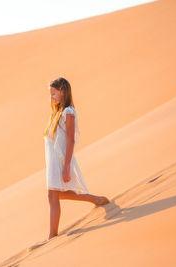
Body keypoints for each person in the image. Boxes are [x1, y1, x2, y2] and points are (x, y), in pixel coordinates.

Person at [43, 77, 110, 240]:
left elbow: (71, 139)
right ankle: (94, 198)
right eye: (50, 94)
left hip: (60, 161)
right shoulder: (57, 113)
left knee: (53, 196)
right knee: (58, 195)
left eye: (54, 93)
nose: (51, 97)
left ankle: (52, 236)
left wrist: (66, 167)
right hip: (53, 161)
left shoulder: (68, 112)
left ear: (63, 92)